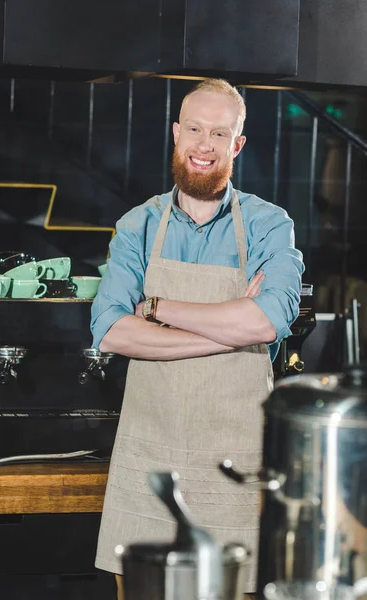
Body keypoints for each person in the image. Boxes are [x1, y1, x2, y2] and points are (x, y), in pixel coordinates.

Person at [91, 78, 304, 596]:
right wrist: (229, 329)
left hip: (235, 462)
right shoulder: (137, 226)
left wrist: (160, 309)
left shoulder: (268, 226)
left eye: (219, 133)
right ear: (176, 133)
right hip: (150, 454)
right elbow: (112, 331)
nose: (204, 145)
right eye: (194, 129)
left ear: (238, 145)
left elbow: (267, 321)